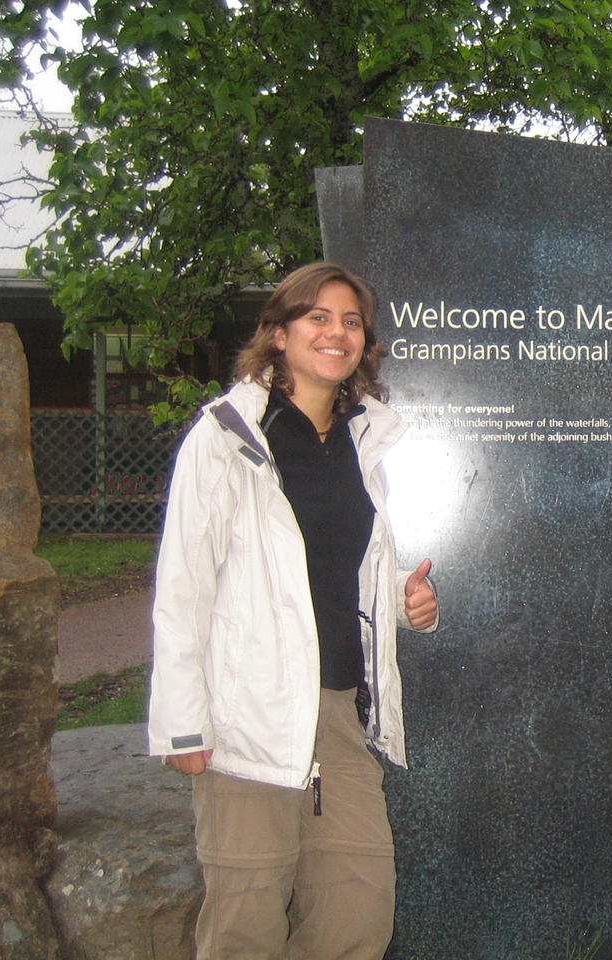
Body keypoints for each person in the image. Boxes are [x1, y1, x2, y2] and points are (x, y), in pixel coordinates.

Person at [148, 262, 439, 959]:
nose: (337, 333)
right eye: (318, 317)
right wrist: (182, 724)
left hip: (338, 710)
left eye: (351, 321)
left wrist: (401, 600)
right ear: (279, 334)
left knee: (358, 913)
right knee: (245, 924)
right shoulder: (226, 437)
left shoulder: (363, 439)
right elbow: (184, 586)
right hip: (246, 714)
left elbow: (333, 567)